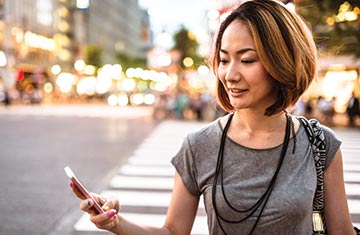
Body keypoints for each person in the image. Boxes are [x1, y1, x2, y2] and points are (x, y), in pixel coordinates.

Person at [69, 1, 356, 234]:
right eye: (223, 59)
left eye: (247, 60)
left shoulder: (320, 144)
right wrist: (115, 222)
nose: (230, 74)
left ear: (281, 61)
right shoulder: (199, 145)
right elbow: (172, 231)